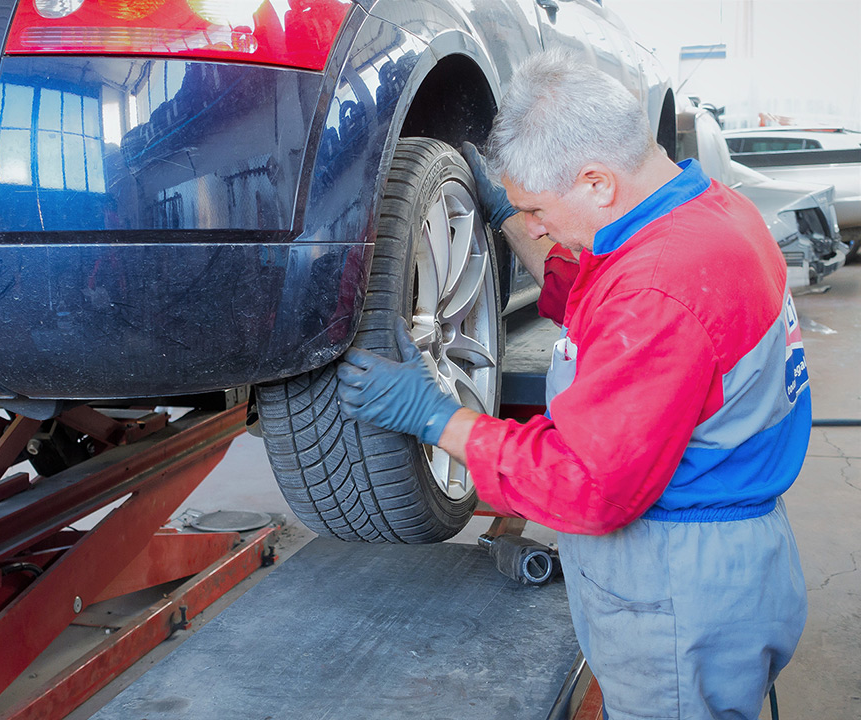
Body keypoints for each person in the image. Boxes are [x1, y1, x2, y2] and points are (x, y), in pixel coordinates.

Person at [336, 52, 808, 720]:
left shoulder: (660, 289)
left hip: (681, 589)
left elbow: (587, 484)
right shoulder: (709, 212)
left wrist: (438, 418)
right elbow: (597, 291)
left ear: (596, 183)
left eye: (535, 208)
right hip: (731, 558)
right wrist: (504, 214)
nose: (532, 226)